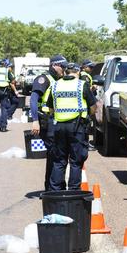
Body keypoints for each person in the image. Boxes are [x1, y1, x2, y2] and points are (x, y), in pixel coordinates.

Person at [43, 62, 97, 190]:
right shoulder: (82, 85)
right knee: (76, 161)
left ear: (65, 72)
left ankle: (56, 191)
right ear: (78, 72)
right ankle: (73, 192)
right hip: (77, 127)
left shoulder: (55, 85)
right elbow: (93, 107)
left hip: (58, 127)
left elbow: (50, 108)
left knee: (59, 161)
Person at [30, 54, 67, 191]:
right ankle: (53, 188)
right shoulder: (44, 79)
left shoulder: (59, 79)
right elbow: (33, 99)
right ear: (54, 65)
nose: (63, 69)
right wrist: (35, 121)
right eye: (62, 66)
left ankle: (52, 187)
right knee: (55, 154)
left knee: (54, 154)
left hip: (56, 121)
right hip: (46, 120)